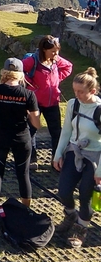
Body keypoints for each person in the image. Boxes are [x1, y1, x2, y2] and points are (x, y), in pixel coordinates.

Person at [0, 58, 40, 226]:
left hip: (0, 137)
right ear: (20, 75)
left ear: (4, 73)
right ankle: (25, 213)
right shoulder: (28, 94)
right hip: (22, 138)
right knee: (23, 175)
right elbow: (36, 123)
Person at [53, 67, 101, 249]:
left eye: (81, 92)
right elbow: (67, 131)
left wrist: (100, 170)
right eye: (75, 91)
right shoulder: (74, 104)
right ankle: (71, 214)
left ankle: (80, 228)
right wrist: (58, 154)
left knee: (85, 196)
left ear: (93, 91)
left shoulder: (99, 110)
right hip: (75, 151)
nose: (77, 95)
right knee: (64, 191)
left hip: (95, 156)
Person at [22, 35, 72, 167]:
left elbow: (68, 67)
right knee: (31, 130)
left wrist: (56, 80)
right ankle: (31, 159)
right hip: (35, 103)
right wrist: (31, 84)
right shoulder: (33, 61)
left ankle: (56, 159)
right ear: (44, 49)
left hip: (53, 103)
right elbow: (18, 70)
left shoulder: (56, 60)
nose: (56, 53)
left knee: (56, 132)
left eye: (57, 51)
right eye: (53, 51)